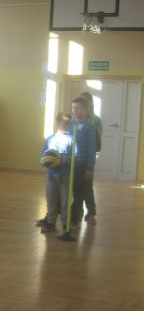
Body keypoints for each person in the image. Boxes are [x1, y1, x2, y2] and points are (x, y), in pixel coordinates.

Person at [38, 113, 73, 232]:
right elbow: (43, 154)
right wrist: (43, 161)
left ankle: (65, 224)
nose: (67, 125)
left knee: (65, 201)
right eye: (65, 123)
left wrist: (65, 159)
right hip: (51, 175)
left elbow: (75, 156)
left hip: (65, 175)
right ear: (58, 123)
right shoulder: (50, 139)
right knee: (51, 198)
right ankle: (51, 222)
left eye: (69, 123)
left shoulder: (71, 140)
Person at [69, 97, 96, 228]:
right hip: (70, 164)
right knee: (75, 190)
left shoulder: (89, 128)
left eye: (78, 108)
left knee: (85, 190)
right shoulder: (70, 125)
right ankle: (75, 213)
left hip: (83, 164)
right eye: (73, 108)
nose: (75, 110)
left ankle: (89, 214)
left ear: (86, 110)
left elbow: (92, 150)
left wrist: (90, 168)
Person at [79, 91, 101, 225]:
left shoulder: (95, 120)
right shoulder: (76, 119)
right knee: (77, 185)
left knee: (87, 185)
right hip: (77, 158)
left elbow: (96, 141)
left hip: (89, 156)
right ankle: (78, 210)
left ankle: (91, 213)